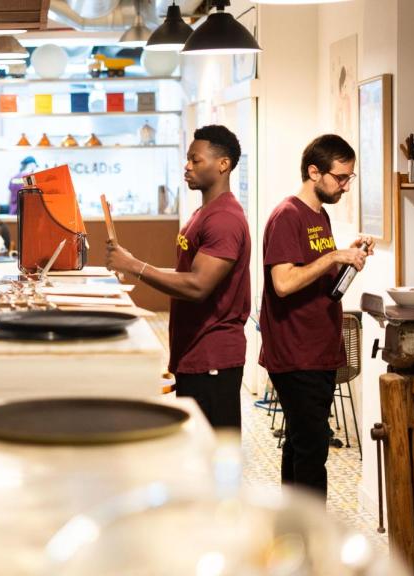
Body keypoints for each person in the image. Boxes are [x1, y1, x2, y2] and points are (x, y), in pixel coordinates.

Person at [105, 125, 251, 431]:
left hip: (214, 358)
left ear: (223, 164)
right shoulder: (204, 213)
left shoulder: (224, 219)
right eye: (188, 159)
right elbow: (189, 274)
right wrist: (135, 264)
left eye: (196, 160)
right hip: (193, 351)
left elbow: (198, 286)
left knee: (214, 458)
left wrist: (135, 266)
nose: (187, 166)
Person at [259, 134, 373, 499]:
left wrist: (348, 258)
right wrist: (332, 257)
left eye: (349, 178)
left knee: (299, 447)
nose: (344, 186)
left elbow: (318, 280)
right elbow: (283, 283)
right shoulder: (287, 216)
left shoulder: (318, 215)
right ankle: (313, 544)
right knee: (312, 454)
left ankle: (294, 536)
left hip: (317, 349)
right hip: (295, 354)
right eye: (340, 178)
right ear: (314, 171)